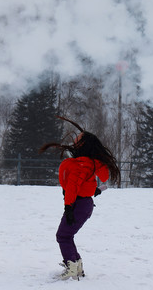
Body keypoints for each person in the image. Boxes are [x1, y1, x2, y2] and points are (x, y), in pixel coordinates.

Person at [39, 116, 121, 281]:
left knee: (63, 236)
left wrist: (68, 207)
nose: (75, 139)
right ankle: (76, 265)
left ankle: (72, 266)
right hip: (84, 204)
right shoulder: (86, 163)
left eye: (79, 138)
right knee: (67, 235)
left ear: (83, 144)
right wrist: (93, 190)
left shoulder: (81, 164)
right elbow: (86, 182)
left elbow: (73, 186)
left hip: (78, 205)